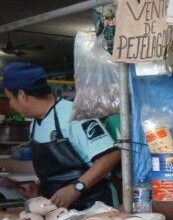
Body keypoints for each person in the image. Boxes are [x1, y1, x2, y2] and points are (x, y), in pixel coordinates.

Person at [1, 62, 121, 210]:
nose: (11, 105)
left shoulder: (74, 115)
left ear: (22, 95)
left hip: (95, 206)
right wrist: (38, 188)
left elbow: (110, 155)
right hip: (61, 210)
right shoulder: (34, 124)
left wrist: (76, 187)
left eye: (10, 98)